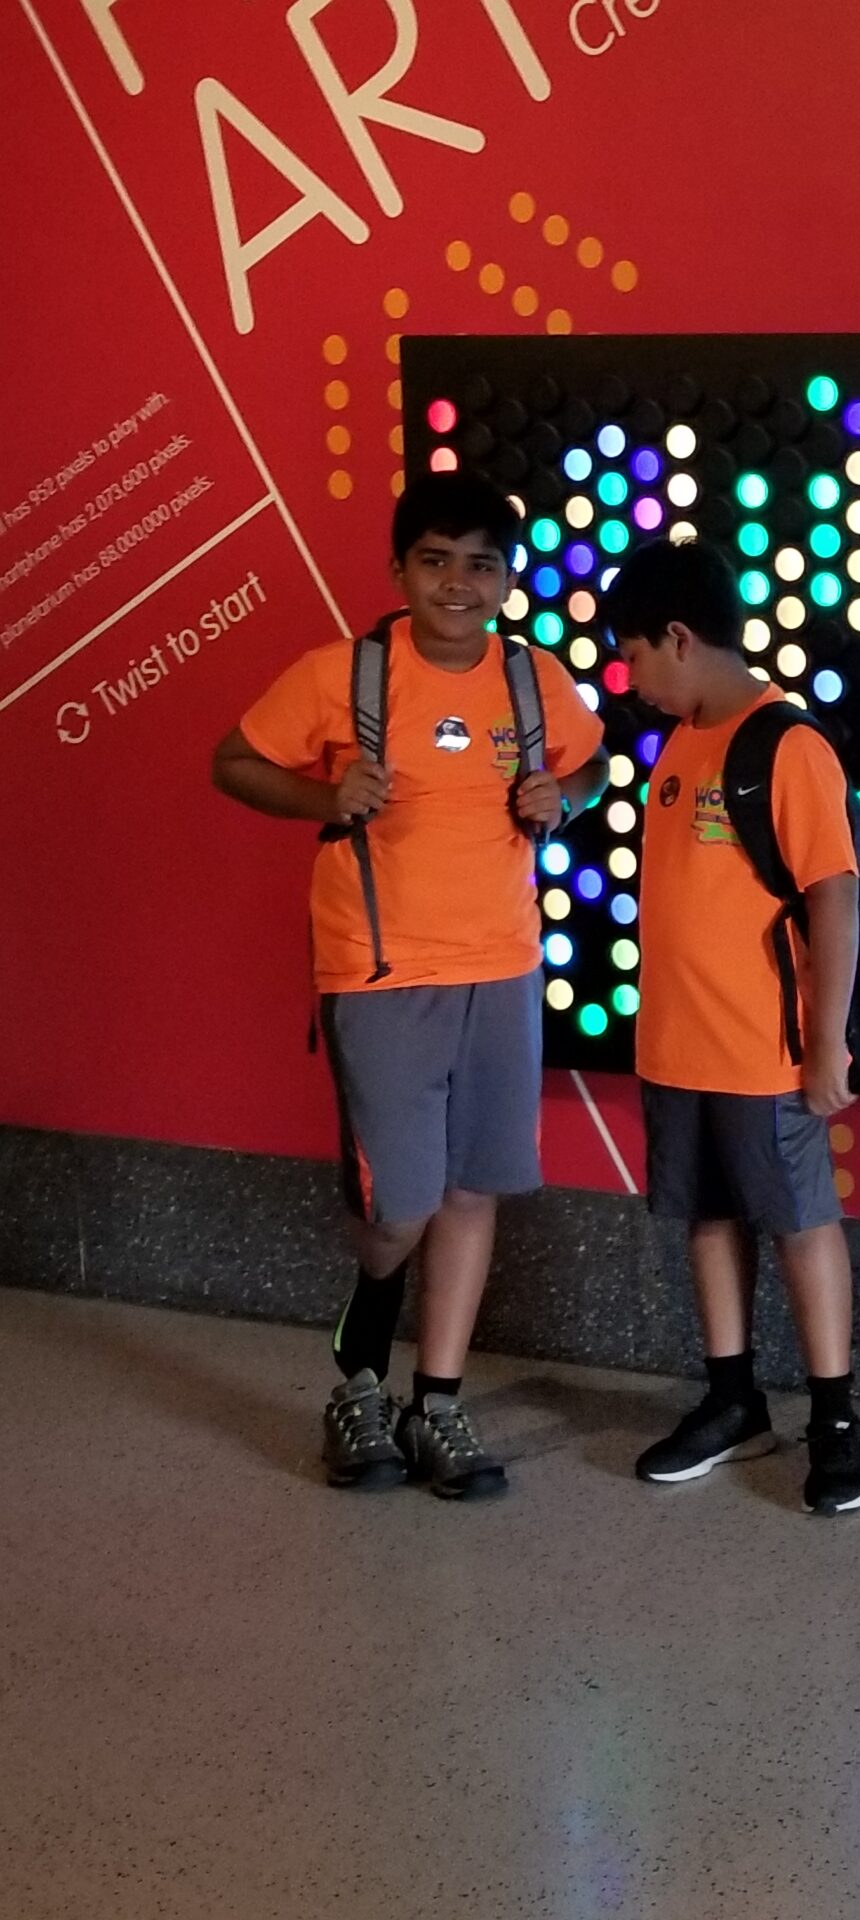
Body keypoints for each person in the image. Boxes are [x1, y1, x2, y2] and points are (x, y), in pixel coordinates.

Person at [212, 470, 606, 1498]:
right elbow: (233, 762)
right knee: (399, 1208)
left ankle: (436, 1400)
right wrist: (322, 791)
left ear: (509, 579)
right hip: (379, 972)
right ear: (398, 571)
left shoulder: (532, 680)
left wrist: (559, 794)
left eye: (481, 564)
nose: (458, 584)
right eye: (436, 561)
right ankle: (362, 1352)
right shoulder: (344, 675)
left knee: (473, 1189)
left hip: (504, 969)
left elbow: (592, 764)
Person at [603, 537, 860, 1515]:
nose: (629, 679)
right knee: (708, 1218)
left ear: (679, 637)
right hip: (677, 1051)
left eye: (633, 655)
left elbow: (833, 899)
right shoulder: (677, 745)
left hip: (767, 1055)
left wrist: (828, 1041)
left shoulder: (784, 745)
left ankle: (836, 1415)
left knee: (800, 1223)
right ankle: (732, 1397)